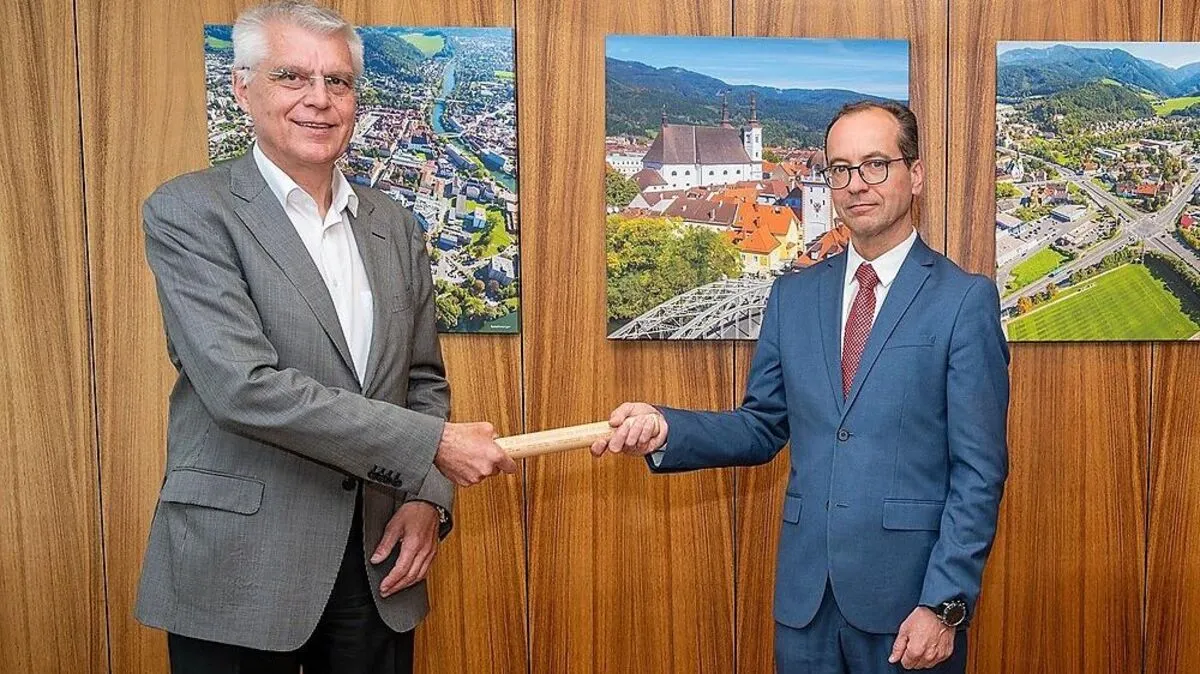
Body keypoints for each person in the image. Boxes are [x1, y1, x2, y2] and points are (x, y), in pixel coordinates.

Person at [135, 2, 516, 672]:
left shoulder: (395, 226)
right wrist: (436, 448)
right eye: (293, 77)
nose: (319, 100)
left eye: (337, 82)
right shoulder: (189, 212)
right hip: (240, 568)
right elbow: (241, 388)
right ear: (241, 88)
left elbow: (423, 382)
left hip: (377, 564)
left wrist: (428, 496)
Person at [592, 101, 1009, 673]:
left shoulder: (964, 301)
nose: (855, 184)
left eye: (875, 164)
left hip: (910, 606)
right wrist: (668, 428)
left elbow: (979, 471)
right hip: (805, 606)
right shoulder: (793, 296)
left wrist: (944, 603)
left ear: (916, 174)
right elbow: (762, 425)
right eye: (839, 169)